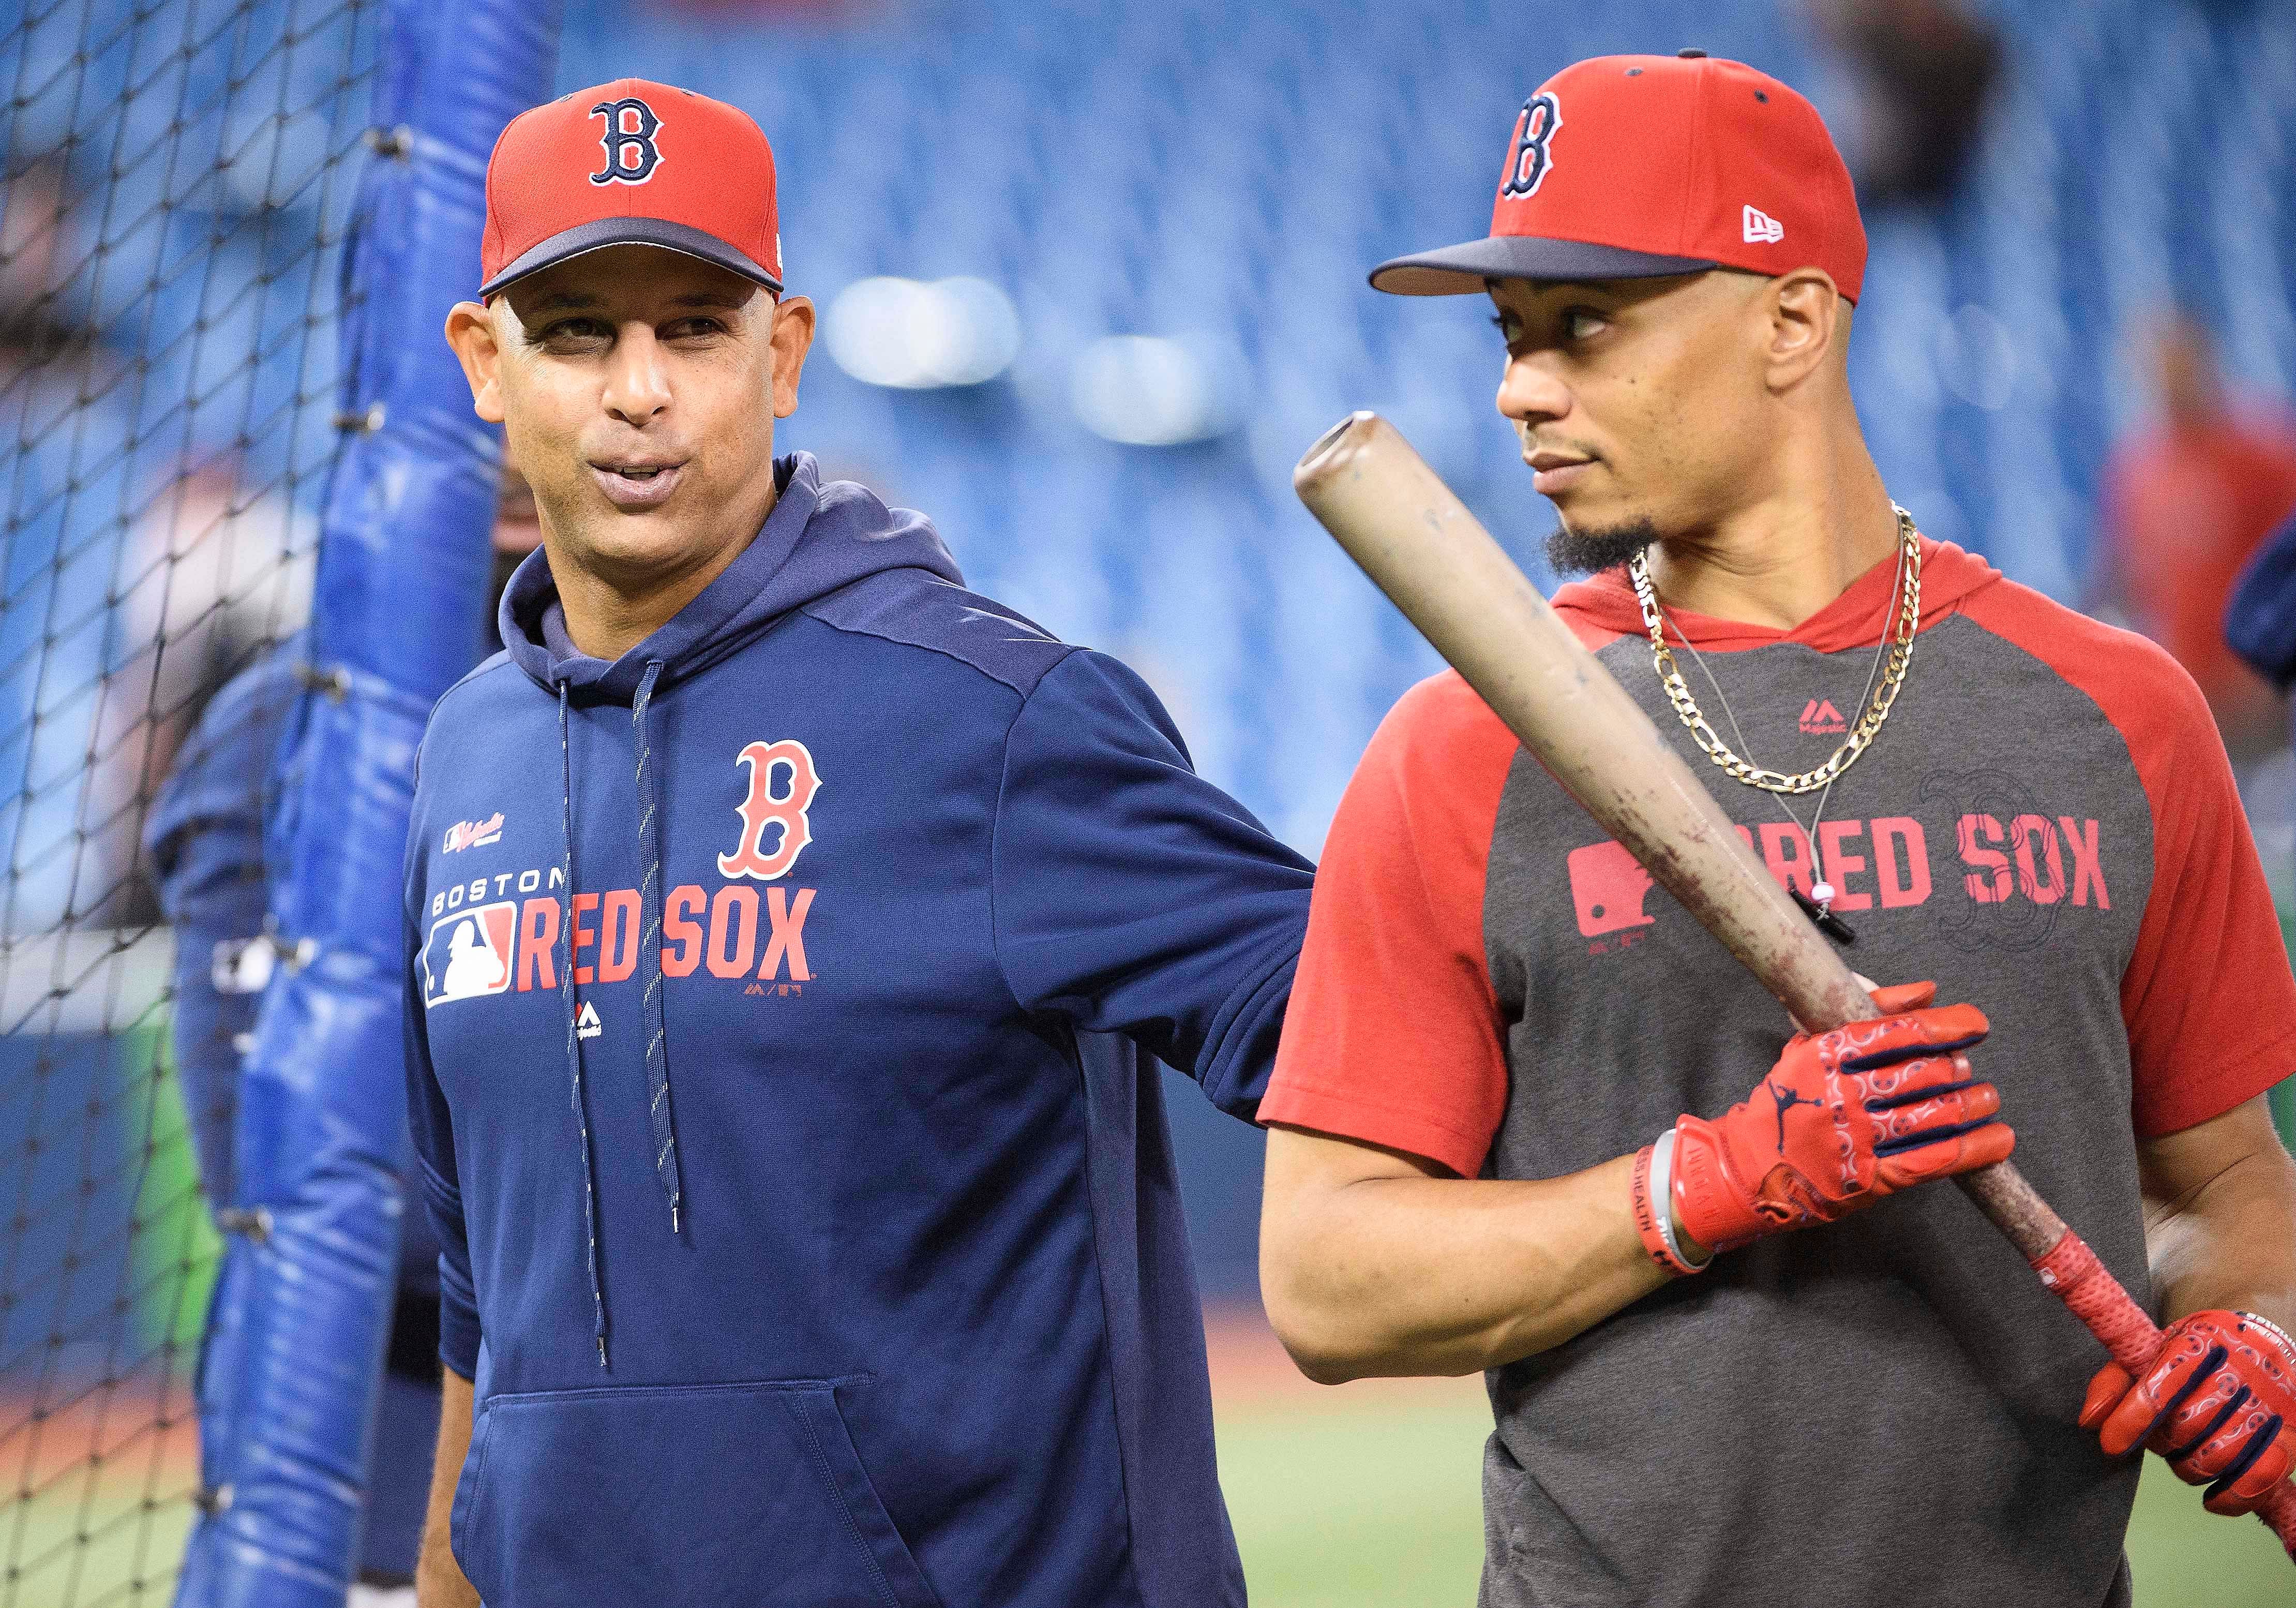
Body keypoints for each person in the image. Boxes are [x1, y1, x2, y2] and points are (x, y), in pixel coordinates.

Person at [1256, 51, 2296, 1608]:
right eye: (1513, 335)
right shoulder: (1460, 748)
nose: (1517, 388)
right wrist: (1704, 1183)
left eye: (1585, 327)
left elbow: (2225, 1190)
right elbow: (1326, 1279)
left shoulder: (2118, 716)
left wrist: (2261, 1330)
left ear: (1793, 322)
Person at [410, 79, 1312, 1608]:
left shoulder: (996, 718)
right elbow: (478, 1303)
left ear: (786, 357)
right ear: (484, 364)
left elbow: (1363, 1027)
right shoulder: (464, 752)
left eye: (694, 326)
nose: (639, 389)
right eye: (576, 332)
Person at [143, 464, 544, 1600]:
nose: (509, 446)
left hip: (652, 1491)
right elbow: (283, 1180)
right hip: (358, 1503)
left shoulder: (701, 712)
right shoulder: (277, 739)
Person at [2099, 314, 2296, 763]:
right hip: (2184, 695)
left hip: (2257, 693)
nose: (2168, 381)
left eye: (2178, 365)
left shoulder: (2263, 453)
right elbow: (2121, 580)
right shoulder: (2136, 470)